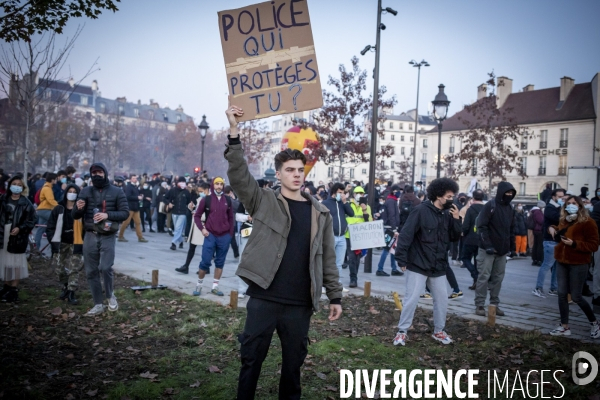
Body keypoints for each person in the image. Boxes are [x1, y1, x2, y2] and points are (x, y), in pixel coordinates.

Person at [225, 105, 342, 400]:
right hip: (264, 297)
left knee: (293, 367)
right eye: (289, 170)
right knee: (251, 360)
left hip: (299, 304)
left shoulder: (320, 213)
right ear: (278, 174)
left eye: (300, 170)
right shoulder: (263, 201)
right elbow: (239, 176)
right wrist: (234, 132)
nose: (296, 175)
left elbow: (327, 256)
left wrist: (335, 295)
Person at [392, 178, 461, 346]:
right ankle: (402, 331)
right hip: (418, 264)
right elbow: (406, 235)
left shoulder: (447, 213)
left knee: (442, 299)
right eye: (449, 196)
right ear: (438, 195)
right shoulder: (420, 211)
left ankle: (439, 330)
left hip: (438, 265)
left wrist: (457, 219)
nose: (452, 200)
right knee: (412, 299)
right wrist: (401, 258)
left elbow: (454, 237)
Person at [72, 163, 129, 316]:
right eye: (94, 173)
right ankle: (98, 303)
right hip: (90, 234)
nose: (97, 175)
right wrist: (78, 207)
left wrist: (107, 215)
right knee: (91, 271)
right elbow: (75, 215)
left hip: (108, 234)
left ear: (105, 173)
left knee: (105, 267)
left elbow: (124, 213)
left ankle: (110, 295)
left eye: (99, 172)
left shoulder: (117, 191)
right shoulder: (85, 191)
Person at [548, 196, 600, 339]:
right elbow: (557, 228)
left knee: (576, 296)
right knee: (562, 294)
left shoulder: (588, 222)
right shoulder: (565, 220)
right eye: (568, 204)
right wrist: (551, 229)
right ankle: (564, 327)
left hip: (579, 263)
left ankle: (595, 323)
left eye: (574, 203)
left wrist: (575, 244)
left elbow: (594, 245)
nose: (571, 206)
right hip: (562, 261)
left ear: (580, 206)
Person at [474, 181, 517, 317]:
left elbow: (511, 229)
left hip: (502, 251)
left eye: (511, 193)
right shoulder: (490, 206)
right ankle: (480, 305)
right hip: (487, 250)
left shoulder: (510, 208)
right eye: (507, 193)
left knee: (498, 279)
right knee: (484, 277)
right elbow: (481, 227)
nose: (509, 195)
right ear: (501, 192)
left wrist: (512, 247)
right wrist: (488, 245)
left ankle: (494, 304)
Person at [192, 177, 234, 296]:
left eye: (221, 184)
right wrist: (203, 229)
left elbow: (231, 218)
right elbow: (197, 216)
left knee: (220, 262)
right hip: (210, 235)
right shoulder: (206, 200)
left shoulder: (228, 200)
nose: (219, 186)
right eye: (217, 184)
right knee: (205, 262)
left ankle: (215, 287)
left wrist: (230, 234)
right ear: (213, 185)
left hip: (224, 236)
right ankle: (199, 286)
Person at [46, 184, 84, 305]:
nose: (72, 193)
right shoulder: (58, 208)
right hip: (61, 242)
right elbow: (50, 226)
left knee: (74, 268)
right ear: (66, 192)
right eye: (70, 191)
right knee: (59, 268)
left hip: (76, 241)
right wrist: (52, 239)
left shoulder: (81, 209)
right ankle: (66, 286)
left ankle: (72, 291)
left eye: (74, 191)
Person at [0, 175, 36, 303]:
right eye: (14, 184)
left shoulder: (26, 203)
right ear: (10, 185)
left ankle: (13, 289)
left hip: (18, 237)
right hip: (3, 234)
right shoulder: (3, 199)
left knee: (16, 263)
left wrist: (21, 228)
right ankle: (6, 286)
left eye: (19, 185)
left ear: (23, 187)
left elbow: (32, 220)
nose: (16, 186)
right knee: (5, 261)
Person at [532, 188, 565, 298]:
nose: (561, 199)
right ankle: (538, 288)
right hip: (550, 241)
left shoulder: (558, 207)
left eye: (563, 197)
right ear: (554, 197)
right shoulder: (550, 208)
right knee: (546, 265)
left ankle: (553, 288)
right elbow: (557, 218)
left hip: (557, 241)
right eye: (559, 197)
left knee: (556, 266)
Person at [322, 183, 354, 291]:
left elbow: (351, 214)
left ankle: (337, 284)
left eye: (343, 192)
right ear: (334, 192)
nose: (342, 194)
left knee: (339, 263)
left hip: (342, 236)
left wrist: (345, 202)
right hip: (331, 236)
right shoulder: (326, 203)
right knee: (327, 261)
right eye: (340, 192)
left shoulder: (342, 203)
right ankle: (323, 284)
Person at [175, 182, 210, 274]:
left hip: (204, 226)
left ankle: (205, 267)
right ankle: (186, 266)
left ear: (206, 190)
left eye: (201, 191)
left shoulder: (210, 200)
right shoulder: (200, 199)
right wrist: (191, 208)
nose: (200, 193)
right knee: (193, 246)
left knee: (205, 248)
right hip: (197, 226)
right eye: (199, 191)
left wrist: (199, 216)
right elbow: (198, 210)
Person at [345, 186, 373, 288]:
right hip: (349, 235)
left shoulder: (367, 207)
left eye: (361, 193)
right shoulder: (348, 205)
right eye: (357, 193)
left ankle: (354, 276)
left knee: (357, 258)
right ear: (353, 194)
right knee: (351, 258)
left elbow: (369, 221)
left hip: (361, 236)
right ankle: (353, 278)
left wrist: (364, 210)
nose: (359, 195)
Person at [461, 189, 485, 290]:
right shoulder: (486, 209)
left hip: (470, 238)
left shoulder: (470, 209)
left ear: (473, 198)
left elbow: (466, 225)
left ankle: (475, 276)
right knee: (477, 260)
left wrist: (464, 233)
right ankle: (476, 282)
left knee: (465, 258)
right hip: (482, 239)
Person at [377, 185, 403, 277]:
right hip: (391, 228)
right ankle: (380, 269)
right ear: (394, 191)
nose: (400, 193)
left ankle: (394, 268)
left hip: (390, 227)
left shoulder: (392, 200)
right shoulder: (391, 202)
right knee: (386, 249)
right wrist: (394, 229)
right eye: (399, 191)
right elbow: (392, 216)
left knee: (392, 249)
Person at [165, 176, 193, 250]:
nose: (182, 184)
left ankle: (173, 243)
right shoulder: (172, 190)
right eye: (181, 182)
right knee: (178, 228)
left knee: (177, 228)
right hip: (174, 212)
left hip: (183, 212)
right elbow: (165, 198)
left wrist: (190, 205)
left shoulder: (186, 192)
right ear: (177, 183)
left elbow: (189, 201)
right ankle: (180, 241)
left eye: (184, 182)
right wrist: (169, 203)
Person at [117, 174, 148, 243]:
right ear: (130, 179)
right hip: (130, 207)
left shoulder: (135, 186)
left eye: (135, 178)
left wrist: (140, 195)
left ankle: (140, 237)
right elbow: (128, 196)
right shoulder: (129, 187)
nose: (135, 179)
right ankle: (120, 236)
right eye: (133, 178)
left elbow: (136, 194)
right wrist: (137, 197)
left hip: (136, 207)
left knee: (138, 222)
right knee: (126, 222)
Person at [36, 172, 59, 250]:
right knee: (58, 222)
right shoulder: (47, 188)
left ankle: (36, 249)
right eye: (56, 179)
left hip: (42, 210)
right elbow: (51, 200)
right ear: (52, 180)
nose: (56, 180)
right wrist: (60, 206)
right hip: (45, 210)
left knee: (40, 230)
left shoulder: (46, 187)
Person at [529, 201, 545, 266]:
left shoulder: (534, 211)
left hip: (536, 230)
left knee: (536, 245)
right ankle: (538, 259)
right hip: (539, 230)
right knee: (539, 246)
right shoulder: (538, 212)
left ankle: (535, 259)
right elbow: (541, 221)